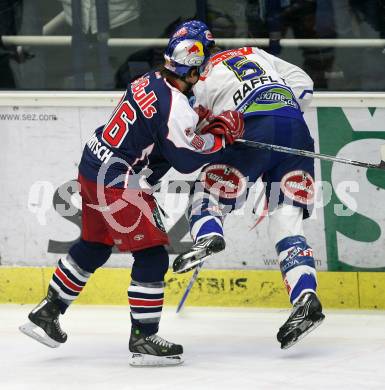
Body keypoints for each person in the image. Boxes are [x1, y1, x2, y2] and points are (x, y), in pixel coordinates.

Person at [19, 20, 244, 366]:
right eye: (206, 56)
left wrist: (198, 121)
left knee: (95, 245)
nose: (208, 63)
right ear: (193, 63)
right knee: (153, 256)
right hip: (116, 180)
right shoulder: (176, 106)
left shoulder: (149, 80)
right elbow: (184, 159)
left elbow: (160, 131)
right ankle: (143, 338)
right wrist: (221, 138)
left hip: (93, 164)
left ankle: (47, 313)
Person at [173, 44, 325, 349]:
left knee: (206, 196)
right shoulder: (255, 52)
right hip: (295, 128)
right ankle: (305, 297)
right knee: (286, 223)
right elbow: (305, 85)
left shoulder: (198, 80)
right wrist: (280, 112)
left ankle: (208, 235)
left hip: (251, 131)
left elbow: (199, 135)